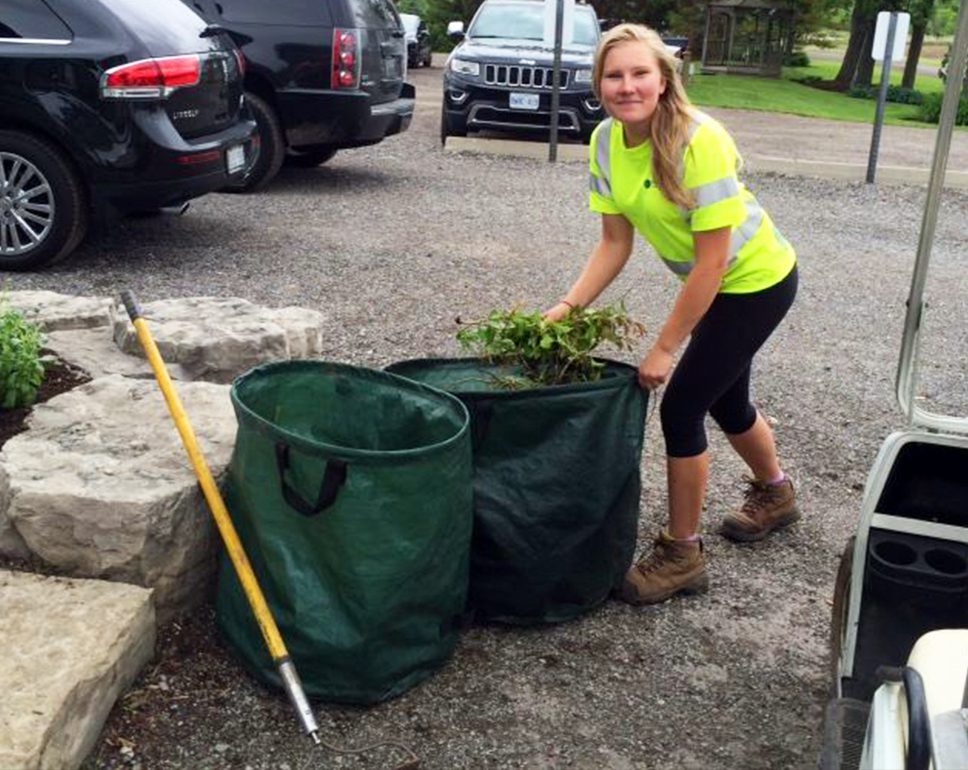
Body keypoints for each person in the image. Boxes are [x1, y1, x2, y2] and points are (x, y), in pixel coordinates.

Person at [544, 23, 799, 605]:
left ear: (663, 80)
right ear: (599, 84)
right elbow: (614, 242)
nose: (626, 86)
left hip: (756, 281)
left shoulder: (698, 139)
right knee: (728, 401)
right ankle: (777, 494)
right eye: (614, 75)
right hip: (715, 286)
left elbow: (712, 263)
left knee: (683, 405)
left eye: (640, 73)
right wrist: (564, 307)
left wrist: (664, 348)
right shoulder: (606, 141)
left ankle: (682, 554)